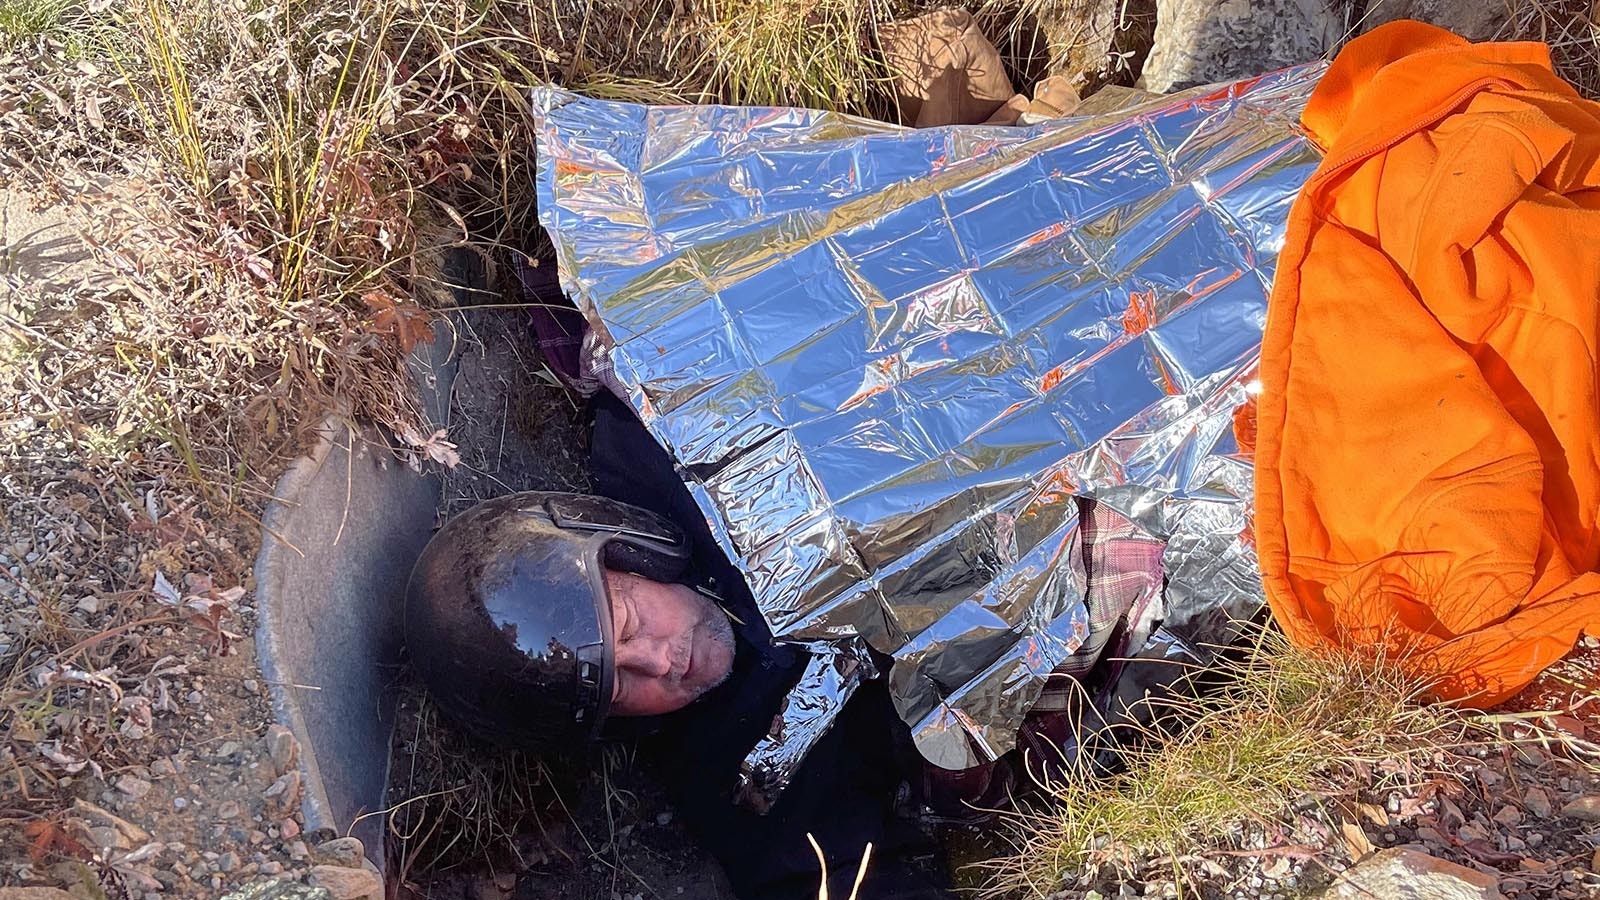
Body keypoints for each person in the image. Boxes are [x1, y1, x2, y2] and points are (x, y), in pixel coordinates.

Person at [405, 388, 954, 900]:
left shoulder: (675, 449)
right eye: (620, 688)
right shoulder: (738, 788)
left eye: (627, 623)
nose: (662, 661)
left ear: (630, 548)